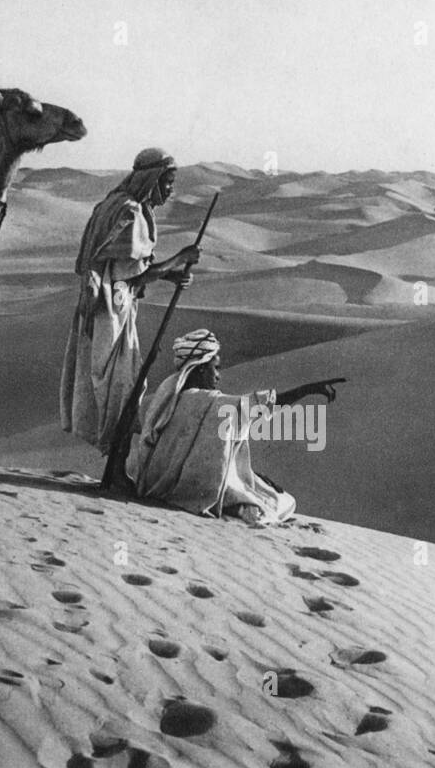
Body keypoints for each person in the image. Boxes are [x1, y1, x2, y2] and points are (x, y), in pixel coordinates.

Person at [59, 149, 201, 457]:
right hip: (111, 315)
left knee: (119, 389)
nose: (170, 191)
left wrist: (170, 275)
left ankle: (117, 464)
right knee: (120, 391)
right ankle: (116, 466)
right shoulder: (130, 212)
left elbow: (124, 271)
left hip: (106, 310)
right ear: (151, 180)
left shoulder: (112, 205)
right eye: (167, 182)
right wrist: (180, 259)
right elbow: (133, 278)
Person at [126, 329, 345, 526]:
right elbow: (263, 404)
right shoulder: (213, 403)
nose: (218, 375)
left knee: (258, 486)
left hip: (155, 485)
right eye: (215, 368)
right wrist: (309, 389)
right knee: (282, 502)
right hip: (195, 492)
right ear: (201, 369)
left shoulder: (167, 396)